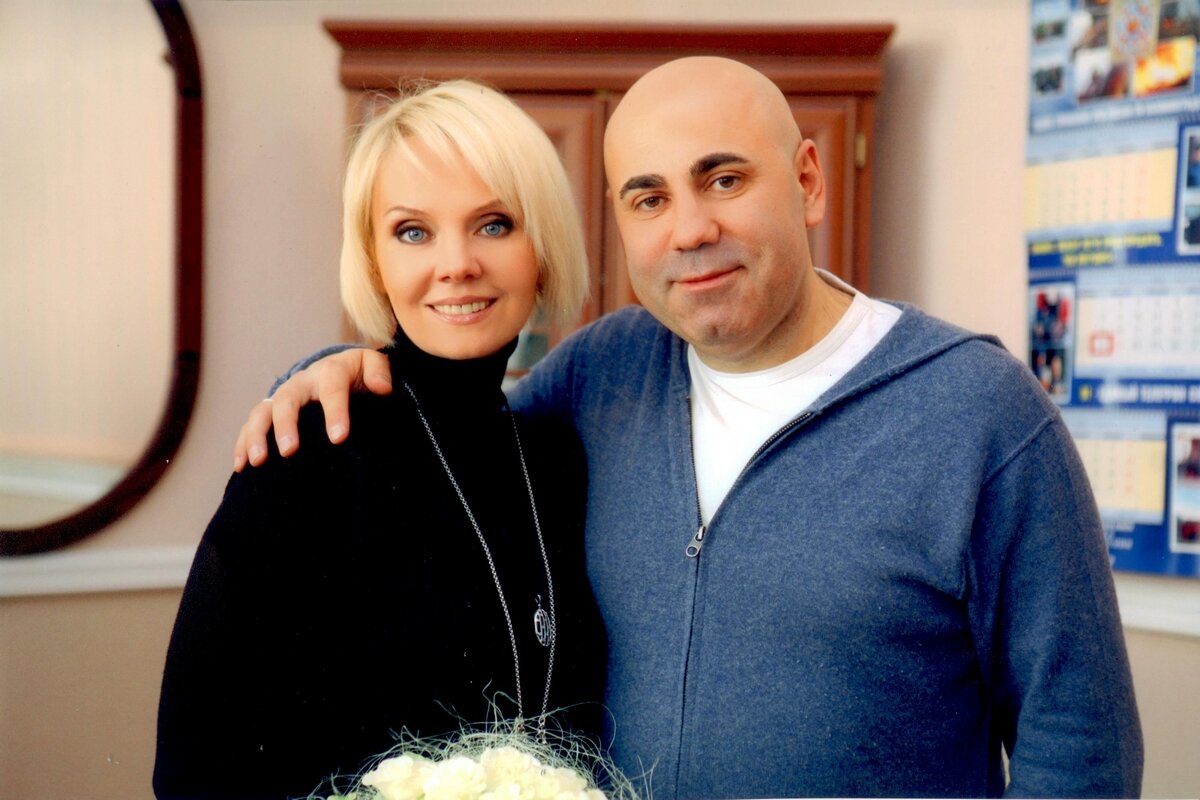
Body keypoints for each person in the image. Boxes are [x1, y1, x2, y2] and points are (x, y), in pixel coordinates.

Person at [233, 58, 1143, 798]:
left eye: (724, 179)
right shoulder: (602, 375)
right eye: (649, 198)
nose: (690, 229)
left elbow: (1081, 747)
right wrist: (343, 374)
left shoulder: (979, 415)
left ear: (809, 181)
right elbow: (458, 442)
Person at [154, 81, 606, 800]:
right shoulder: (308, 451)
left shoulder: (558, 459)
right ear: (373, 262)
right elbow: (194, 773)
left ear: (543, 247)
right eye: (413, 232)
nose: (456, 264)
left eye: (493, 224)